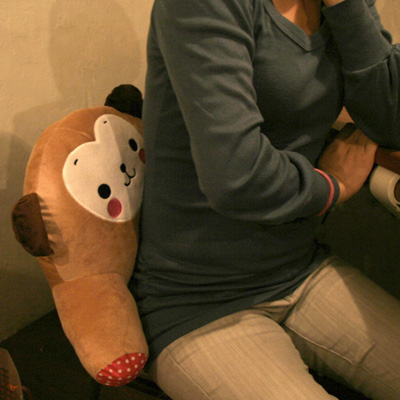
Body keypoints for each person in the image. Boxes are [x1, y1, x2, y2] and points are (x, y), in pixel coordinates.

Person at [129, 0, 400, 398]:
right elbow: (236, 176)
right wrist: (332, 186)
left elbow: (390, 119)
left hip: (298, 266)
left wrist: (347, 6)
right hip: (195, 298)